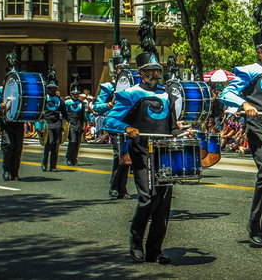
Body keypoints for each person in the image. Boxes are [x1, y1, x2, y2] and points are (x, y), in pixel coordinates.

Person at [218, 3, 262, 249]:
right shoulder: (247, 71)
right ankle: (254, 225)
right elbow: (226, 94)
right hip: (258, 126)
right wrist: (244, 104)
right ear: (259, 51)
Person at [103, 44, 179, 265]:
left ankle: (155, 249)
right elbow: (110, 120)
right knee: (147, 199)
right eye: (152, 70)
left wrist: (180, 131)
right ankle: (136, 242)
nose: (156, 74)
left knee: (164, 202)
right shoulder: (129, 94)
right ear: (141, 73)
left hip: (164, 154)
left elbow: (171, 126)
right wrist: (127, 128)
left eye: (158, 69)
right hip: (142, 152)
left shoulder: (166, 94)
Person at [94, 42, 132, 199]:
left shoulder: (132, 87)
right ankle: (114, 186)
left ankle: (122, 187)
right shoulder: (108, 87)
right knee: (120, 155)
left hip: (130, 124)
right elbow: (97, 106)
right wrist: (108, 104)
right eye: (121, 69)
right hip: (115, 124)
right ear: (116, 71)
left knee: (128, 157)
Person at [41, 67, 66, 172]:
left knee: (56, 145)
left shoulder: (60, 100)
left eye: (54, 88)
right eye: (51, 88)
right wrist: (39, 126)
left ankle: (53, 166)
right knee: (49, 143)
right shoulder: (44, 98)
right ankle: (44, 163)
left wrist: (65, 125)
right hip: (47, 123)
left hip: (57, 123)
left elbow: (64, 113)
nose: (53, 90)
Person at [64, 75, 86, 166]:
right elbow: (64, 114)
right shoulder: (67, 102)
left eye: (77, 94)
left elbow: (83, 115)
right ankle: (69, 157)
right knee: (72, 141)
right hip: (71, 123)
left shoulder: (81, 103)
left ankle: (74, 158)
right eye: (74, 94)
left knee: (77, 143)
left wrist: (84, 124)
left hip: (79, 123)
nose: (76, 95)